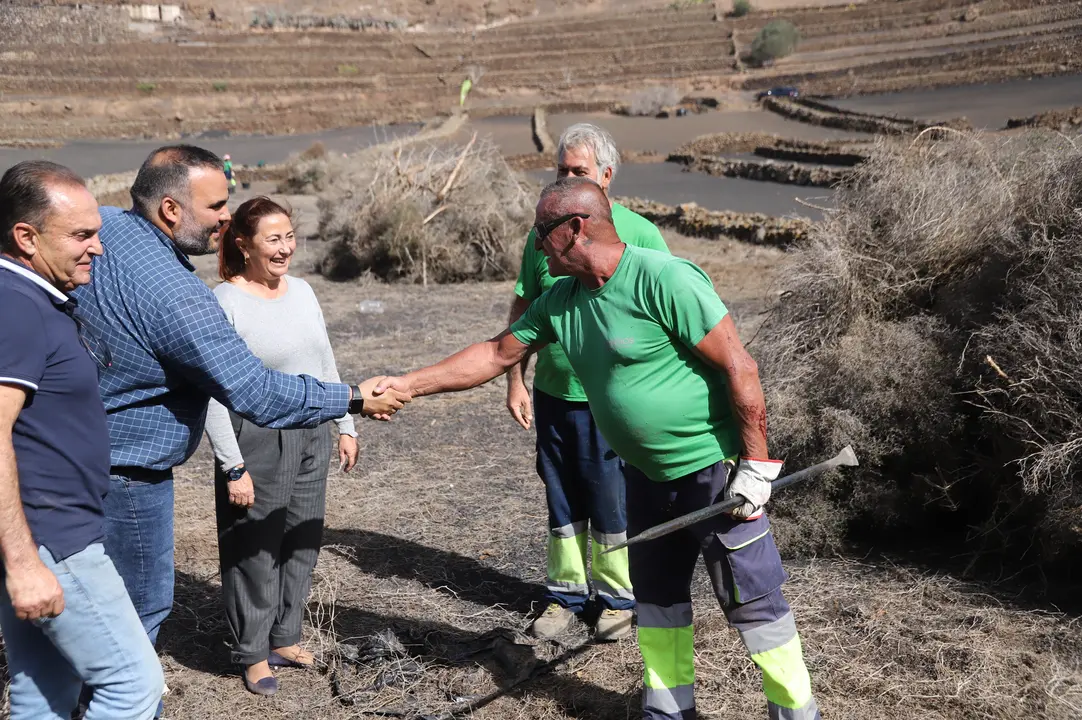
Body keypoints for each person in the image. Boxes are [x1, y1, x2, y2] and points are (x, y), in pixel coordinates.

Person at [372, 177, 821, 720]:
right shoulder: (560, 300)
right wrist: (407, 384)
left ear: (575, 229)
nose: (536, 246)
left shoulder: (665, 279)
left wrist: (756, 464)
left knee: (755, 602)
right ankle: (668, 712)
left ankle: (796, 712)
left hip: (716, 475)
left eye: (542, 233)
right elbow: (494, 354)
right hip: (645, 480)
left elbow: (739, 367)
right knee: (657, 604)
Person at [70, 145, 410, 712]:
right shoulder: (185, 297)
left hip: (89, 447)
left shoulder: (102, 225)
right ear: (172, 210)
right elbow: (250, 393)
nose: (226, 217)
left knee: (105, 598)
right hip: (129, 466)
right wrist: (351, 397)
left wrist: (341, 418)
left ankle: (273, 638)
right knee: (141, 603)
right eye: (218, 206)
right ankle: (122, 698)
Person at [0, 160, 164, 719]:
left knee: (43, 691)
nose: (98, 247)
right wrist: (24, 563)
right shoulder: (16, 307)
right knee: (132, 686)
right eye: (81, 235)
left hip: (41, 534)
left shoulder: (31, 299)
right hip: (52, 538)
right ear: (26, 237)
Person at [506, 122, 669, 641]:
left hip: (613, 400)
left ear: (606, 175)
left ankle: (618, 598)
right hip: (556, 395)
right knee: (561, 497)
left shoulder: (640, 234)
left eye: (579, 171)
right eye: (562, 170)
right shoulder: (541, 233)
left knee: (611, 498)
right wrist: (517, 380)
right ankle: (565, 595)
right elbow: (524, 308)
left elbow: (665, 317)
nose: (568, 178)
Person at [202, 197, 359, 695]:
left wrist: (347, 424)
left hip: (311, 429)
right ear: (243, 244)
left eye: (290, 236)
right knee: (254, 547)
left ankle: (285, 637)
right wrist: (233, 466)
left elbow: (324, 359)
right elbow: (211, 392)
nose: (285, 248)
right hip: (255, 437)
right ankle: (251, 652)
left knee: (302, 541)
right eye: (274, 238)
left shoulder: (304, 291)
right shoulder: (224, 301)